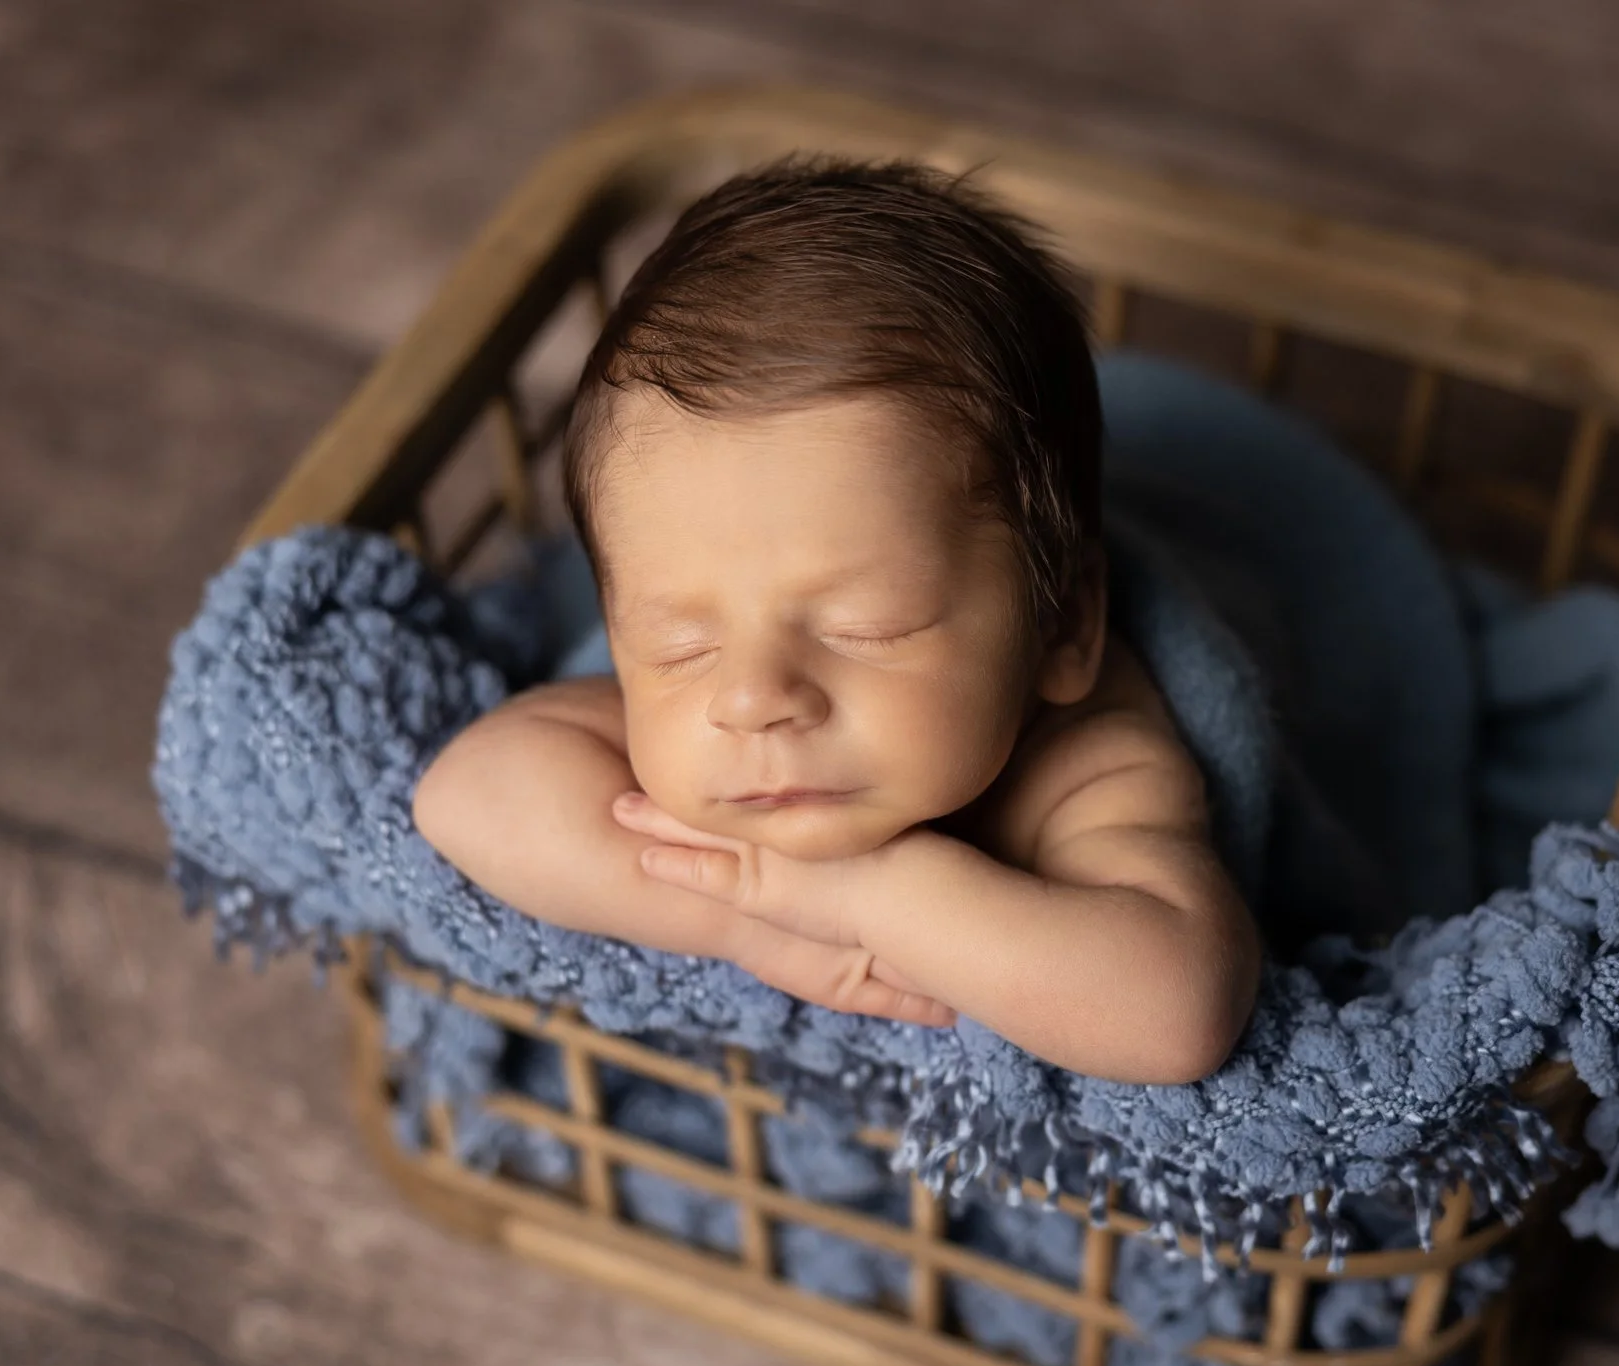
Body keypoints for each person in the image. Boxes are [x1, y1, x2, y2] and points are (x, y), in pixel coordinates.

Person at [411, 156, 1263, 1086]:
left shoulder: (1089, 756)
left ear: (1063, 627)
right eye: (679, 643)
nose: (752, 697)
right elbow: (463, 796)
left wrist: (853, 891)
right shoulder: (712, 723)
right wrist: (748, 920)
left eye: (865, 625)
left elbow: (1175, 1015)